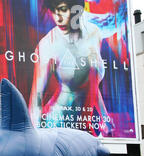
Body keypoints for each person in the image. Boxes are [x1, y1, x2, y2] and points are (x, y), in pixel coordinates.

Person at [29, 0, 113, 136]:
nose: (58, 18)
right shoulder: (48, 44)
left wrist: (105, 117)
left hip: (85, 123)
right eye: (53, 11)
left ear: (77, 9)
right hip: (58, 124)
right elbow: (36, 100)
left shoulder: (94, 33)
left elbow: (91, 83)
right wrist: (36, 138)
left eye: (63, 9)